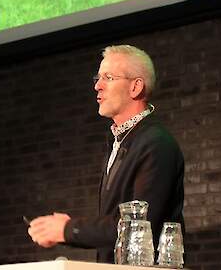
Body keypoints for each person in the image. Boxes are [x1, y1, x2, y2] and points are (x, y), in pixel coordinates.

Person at [27, 45, 185, 262]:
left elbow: (139, 227)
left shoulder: (156, 143)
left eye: (108, 77)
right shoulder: (121, 140)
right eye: (98, 77)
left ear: (135, 87)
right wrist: (64, 229)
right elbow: (114, 222)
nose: (97, 86)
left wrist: (68, 229)